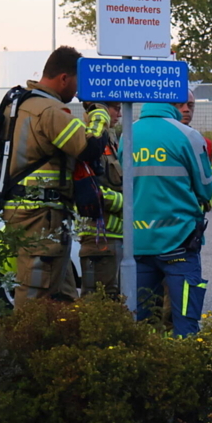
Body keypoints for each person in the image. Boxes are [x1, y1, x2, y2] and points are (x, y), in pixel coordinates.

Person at [2, 46, 109, 308]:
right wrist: (99, 113)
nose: (78, 91)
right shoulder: (49, 111)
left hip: (26, 211)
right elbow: (89, 146)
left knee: (61, 296)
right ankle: (28, 336)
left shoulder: (19, 104)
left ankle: (56, 335)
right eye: (78, 83)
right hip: (41, 217)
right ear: (64, 78)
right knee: (36, 298)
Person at [128, 101, 212, 337]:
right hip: (180, 240)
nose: (186, 108)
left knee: (140, 325)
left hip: (139, 242)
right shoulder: (188, 135)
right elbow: (207, 190)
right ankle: (183, 360)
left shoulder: (128, 133)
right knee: (185, 322)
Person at [77, 101, 123, 297]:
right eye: (116, 108)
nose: (120, 114)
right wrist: (128, 204)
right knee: (98, 300)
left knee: (113, 298)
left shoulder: (110, 140)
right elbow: (90, 192)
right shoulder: (88, 142)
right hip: (97, 238)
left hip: (113, 236)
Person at [173, 90, 212, 209]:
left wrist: (205, 204)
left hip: (192, 215)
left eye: (190, 105)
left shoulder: (204, 144)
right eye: (180, 105)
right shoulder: (157, 139)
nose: (186, 110)